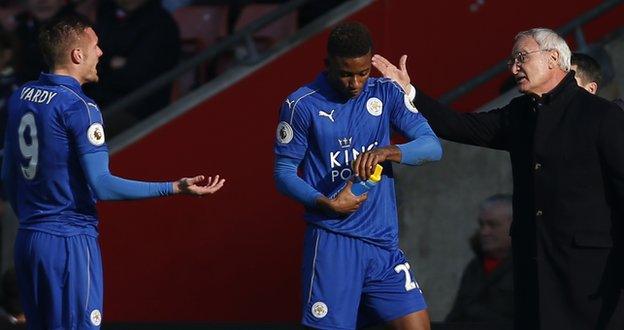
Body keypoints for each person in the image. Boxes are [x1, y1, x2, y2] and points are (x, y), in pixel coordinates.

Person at [374, 28, 624, 329]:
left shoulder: (601, 115)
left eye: (522, 57)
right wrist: (409, 92)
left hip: (592, 276)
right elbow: (460, 125)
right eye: (511, 61)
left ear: (553, 58)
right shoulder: (519, 114)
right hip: (535, 270)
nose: (514, 67)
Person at [1, 15, 225, 329]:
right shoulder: (80, 107)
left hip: (29, 240)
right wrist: (174, 187)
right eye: (95, 46)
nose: (101, 53)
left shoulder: (21, 96)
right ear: (77, 55)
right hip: (69, 241)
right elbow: (102, 186)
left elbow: (8, 172)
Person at [274, 22, 442, 330]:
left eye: (363, 73)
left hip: (383, 242)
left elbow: (432, 146)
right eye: (345, 74)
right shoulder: (301, 104)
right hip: (333, 243)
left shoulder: (387, 93)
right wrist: (324, 202)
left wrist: (386, 152)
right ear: (328, 65)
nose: (355, 83)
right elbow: (283, 173)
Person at [446, 194, 513, 324]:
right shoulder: (475, 267)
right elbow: (456, 316)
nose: (484, 232)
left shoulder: (532, 267)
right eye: (482, 225)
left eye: (493, 225)